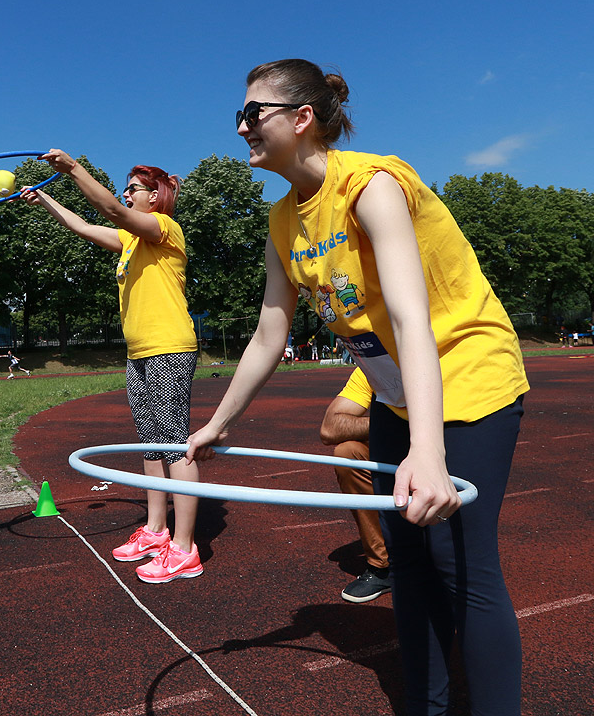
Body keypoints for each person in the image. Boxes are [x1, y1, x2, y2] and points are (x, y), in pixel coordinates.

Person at [186, 59, 529, 715]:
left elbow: (410, 315)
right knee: (410, 562)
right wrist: (218, 423)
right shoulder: (283, 220)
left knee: (461, 565)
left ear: (302, 119)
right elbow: (267, 334)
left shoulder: (371, 185)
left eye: (253, 113)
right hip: (398, 389)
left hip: (469, 373)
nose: (241, 128)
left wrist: (426, 452)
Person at [21, 151, 201, 584]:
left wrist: (74, 170)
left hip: (169, 348)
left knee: (175, 445)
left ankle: (185, 548)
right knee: (151, 445)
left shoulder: (164, 230)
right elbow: (84, 226)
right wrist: (45, 200)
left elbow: (111, 210)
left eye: (133, 188)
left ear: (154, 198)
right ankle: (157, 532)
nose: (125, 193)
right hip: (140, 353)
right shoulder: (130, 242)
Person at [320, 367, 391, 603]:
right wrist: (392, 426)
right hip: (397, 447)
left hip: (443, 449)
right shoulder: (375, 364)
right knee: (347, 452)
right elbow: (330, 428)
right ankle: (383, 566)